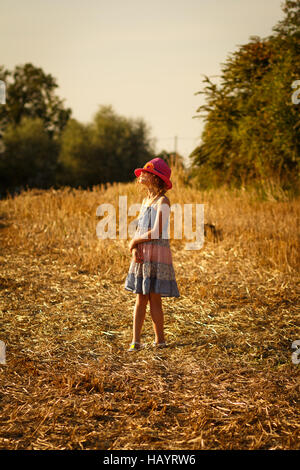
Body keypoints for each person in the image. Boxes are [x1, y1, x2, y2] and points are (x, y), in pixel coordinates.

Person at [124, 158, 180, 351]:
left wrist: (134, 241)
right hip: (144, 252)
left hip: (156, 254)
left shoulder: (163, 201)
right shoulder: (146, 200)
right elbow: (141, 228)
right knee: (140, 297)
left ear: (156, 178)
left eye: (146, 173)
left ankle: (160, 340)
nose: (142, 175)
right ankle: (136, 341)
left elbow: (156, 231)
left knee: (154, 297)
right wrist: (136, 248)